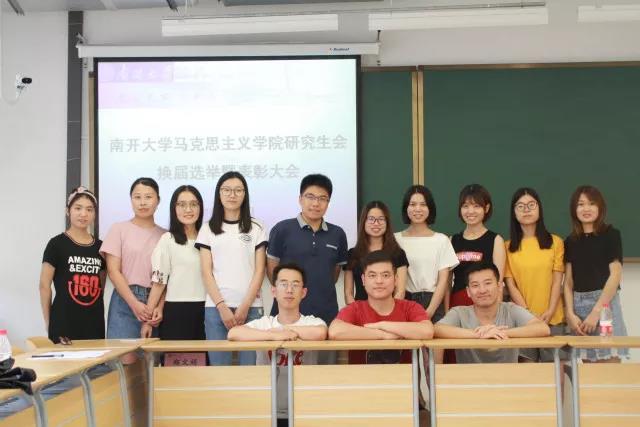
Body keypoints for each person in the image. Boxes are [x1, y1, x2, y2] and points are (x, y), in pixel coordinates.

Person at [228, 263, 327, 427]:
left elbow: (320, 333)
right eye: (283, 284)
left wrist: (284, 330)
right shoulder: (265, 323)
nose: (289, 290)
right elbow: (233, 333)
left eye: (295, 285)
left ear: (303, 292)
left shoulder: (312, 322)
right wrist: (273, 335)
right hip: (267, 408)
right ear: (273, 291)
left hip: (304, 407)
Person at [267, 174, 348, 364]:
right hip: (287, 316)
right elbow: (273, 272)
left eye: (322, 198)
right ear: (300, 199)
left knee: (325, 370)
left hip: (325, 313)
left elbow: (335, 273)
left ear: (328, 202)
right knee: (284, 369)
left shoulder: (337, 234)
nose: (316, 203)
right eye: (310, 197)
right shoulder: (282, 229)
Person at [196, 171, 267, 365]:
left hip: (251, 308)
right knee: (219, 369)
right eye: (226, 190)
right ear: (219, 194)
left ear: (245, 194)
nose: (232, 195)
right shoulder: (207, 228)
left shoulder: (257, 227)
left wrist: (245, 306)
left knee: (250, 369)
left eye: (238, 190)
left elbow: (260, 270)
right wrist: (222, 307)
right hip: (216, 308)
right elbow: (206, 272)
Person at [101, 178, 166, 362]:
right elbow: (113, 271)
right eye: (137, 197)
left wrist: (159, 307)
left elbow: (165, 279)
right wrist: (134, 303)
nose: (143, 202)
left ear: (158, 200)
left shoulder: (166, 236)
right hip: (125, 302)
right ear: (131, 200)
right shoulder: (118, 229)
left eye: (148, 197)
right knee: (124, 363)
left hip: (154, 303)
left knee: (150, 366)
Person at [329, 250, 433, 364]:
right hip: (362, 375)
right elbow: (335, 331)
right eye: (372, 275)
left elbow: (427, 331)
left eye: (385, 275)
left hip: (403, 375)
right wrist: (382, 335)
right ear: (363, 280)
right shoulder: (355, 308)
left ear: (396, 279)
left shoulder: (410, 307)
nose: (379, 281)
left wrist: (382, 325)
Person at [435, 262, 550, 363]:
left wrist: (501, 332)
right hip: (469, 379)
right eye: (475, 285)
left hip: (507, 379)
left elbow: (543, 328)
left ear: (499, 286)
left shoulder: (511, 310)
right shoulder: (459, 312)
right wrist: (478, 334)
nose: (482, 290)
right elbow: (437, 329)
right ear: (468, 291)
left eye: (488, 283)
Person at [564, 185, 629, 362]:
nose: (586, 209)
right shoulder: (570, 241)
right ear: (574, 209)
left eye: (592, 203)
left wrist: (596, 312)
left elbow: (615, 275)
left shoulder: (611, 234)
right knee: (588, 369)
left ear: (600, 207)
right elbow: (568, 282)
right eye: (581, 204)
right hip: (579, 307)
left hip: (605, 306)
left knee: (610, 363)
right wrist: (570, 313)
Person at [504, 187, 565, 362]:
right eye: (520, 206)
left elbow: (557, 282)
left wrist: (550, 311)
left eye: (531, 204)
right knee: (527, 373)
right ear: (514, 212)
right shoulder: (507, 247)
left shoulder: (555, 242)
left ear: (539, 208)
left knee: (555, 371)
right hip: (523, 321)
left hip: (553, 318)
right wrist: (528, 314)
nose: (526, 210)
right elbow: (510, 285)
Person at [39, 187, 106, 343]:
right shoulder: (56, 244)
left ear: (94, 214)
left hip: (93, 323)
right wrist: (49, 322)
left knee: (95, 359)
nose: (83, 214)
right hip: (63, 322)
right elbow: (44, 286)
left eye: (89, 209)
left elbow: (100, 286)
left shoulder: (101, 247)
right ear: (67, 211)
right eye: (78, 208)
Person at [141, 186, 206, 341]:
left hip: (207, 310)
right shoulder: (168, 240)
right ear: (174, 208)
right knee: (176, 356)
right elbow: (159, 282)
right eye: (182, 205)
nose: (188, 209)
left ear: (200, 208)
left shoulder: (208, 238)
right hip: (176, 310)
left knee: (204, 356)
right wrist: (148, 321)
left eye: (193, 204)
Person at [395, 185, 459, 323]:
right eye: (413, 204)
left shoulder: (441, 240)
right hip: (404, 301)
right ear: (406, 208)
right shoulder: (395, 240)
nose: (418, 209)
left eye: (423, 204)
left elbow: (443, 281)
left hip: (433, 302)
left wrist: (430, 311)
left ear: (430, 208)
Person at [450, 184, 505, 308]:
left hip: (486, 305)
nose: (470, 211)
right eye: (465, 206)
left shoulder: (496, 240)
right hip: (458, 305)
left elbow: (499, 283)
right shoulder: (452, 240)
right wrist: (447, 312)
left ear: (486, 208)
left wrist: (496, 313)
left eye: (476, 206)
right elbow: (447, 284)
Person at [344, 200, 408, 304]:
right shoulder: (353, 254)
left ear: (387, 223)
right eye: (371, 219)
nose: (376, 223)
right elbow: (348, 293)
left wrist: (390, 312)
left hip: (389, 311)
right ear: (364, 222)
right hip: (360, 311)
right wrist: (355, 311)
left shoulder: (398, 253)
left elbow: (400, 292)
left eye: (381, 219)